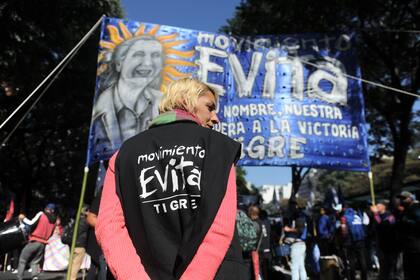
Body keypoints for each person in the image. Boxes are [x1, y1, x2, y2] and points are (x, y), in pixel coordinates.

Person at [96, 78, 247, 279]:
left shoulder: (124, 154)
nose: (215, 118)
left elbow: (109, 227)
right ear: (187, 100)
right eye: (210, 107)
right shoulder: (218, 147)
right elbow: (219, 226)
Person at [92, 36, 164, 149]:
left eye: (155, 55)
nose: (148, 63)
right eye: (139, 54)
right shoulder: (99, 108)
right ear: (119, 64)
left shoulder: (165, 104)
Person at [16, 203, 57, 280]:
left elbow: (31, 223)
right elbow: (51, 234)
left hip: (34, 241)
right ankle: (34, 277)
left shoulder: (41, 214)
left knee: (23, 259)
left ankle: (19, 277)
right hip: (43, 244)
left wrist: (23, 218)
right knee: (35, 262)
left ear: (46, 208)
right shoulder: (54, 221)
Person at [370, 200, 398, 280]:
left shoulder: (390, 216)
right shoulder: (377, 216)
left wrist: (375, 214)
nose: (376, 207)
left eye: (378, 205)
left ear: (384, 206)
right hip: (380, 246)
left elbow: (383, 226)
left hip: (389, 246)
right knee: (383, 268)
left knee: (390, 268)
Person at [396, 191, 420, 280]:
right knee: (409, 272)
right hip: (407, 247)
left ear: (410, 198)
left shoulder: (416, 208)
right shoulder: (405, 210)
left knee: (415, 272)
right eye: (401, 199)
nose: (401, 201)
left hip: (415, 247)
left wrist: (407, 221)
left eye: (404, 198)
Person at [69, 205, 90, 280]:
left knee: (72, 265)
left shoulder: (76, 221)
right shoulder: (85, 221)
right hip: (80, 246)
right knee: (75, 267)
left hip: (73, 245)